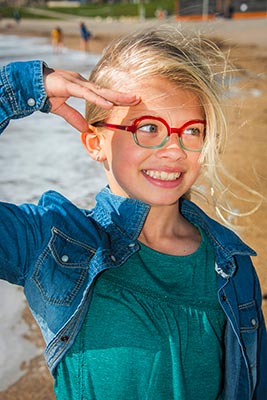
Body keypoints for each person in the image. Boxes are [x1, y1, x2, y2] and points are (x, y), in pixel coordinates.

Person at [0, 26, 266, 400]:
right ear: (95, 143)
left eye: (191, 131)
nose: (174, 150)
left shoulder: (232, 265)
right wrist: (20, 88)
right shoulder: (53, 245)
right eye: (149, 127)